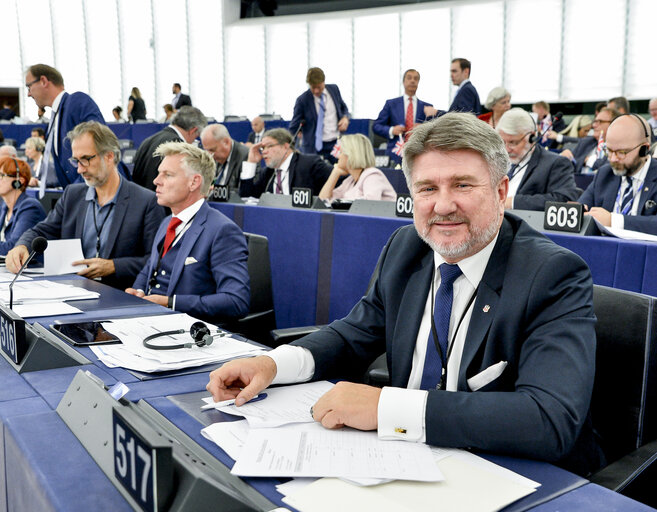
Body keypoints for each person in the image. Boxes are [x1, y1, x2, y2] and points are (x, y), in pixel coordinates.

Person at [208, 112, 602, 477]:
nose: (443, 205)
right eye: (427, 188)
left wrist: (386, 409)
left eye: (462, 185)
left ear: (501, 192)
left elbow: (549, 419)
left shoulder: (552, 274)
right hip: (402, 462)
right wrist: (273, 365)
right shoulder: (406, 247)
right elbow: (352, 334)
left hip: (510, 474)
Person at [5, 122, 164, 290]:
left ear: (109, 156)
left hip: (120, 296)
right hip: (72, 291)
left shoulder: (146, 201)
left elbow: (155, 260)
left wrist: (113, 266)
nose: (79, 169)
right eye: (76, 161)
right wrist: (21, 246)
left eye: (85, 159)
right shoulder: (72, 195)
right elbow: (41, 231)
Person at [126, 142, 250, 322]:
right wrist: (138, 292)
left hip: (190, 333)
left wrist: (172, 303)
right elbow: (149, 270)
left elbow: (236, 301)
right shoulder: (167, 222)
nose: (156, 181)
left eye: (167, 175)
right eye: (159, 173)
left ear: (194, 182)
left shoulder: (222, 231)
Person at [25, 63, 106, 190]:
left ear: (43, 81)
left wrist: (76, 192)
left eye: (29, 87)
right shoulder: (53, 120)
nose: (28, 94)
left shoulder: (76, 101)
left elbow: (101, 147)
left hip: (94, 194)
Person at [578, 114, 657, 235]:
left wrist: (614, 221)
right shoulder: (605, 173)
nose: (613, 159)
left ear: (644, 149)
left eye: (621, 152)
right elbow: (581, 208)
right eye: (609, 151)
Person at [496, 108, 578, 210]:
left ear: (532, 137)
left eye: (513, 142)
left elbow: (563, 199)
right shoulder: (495, 161)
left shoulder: (556, 164)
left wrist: (513, 203)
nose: (507, 149)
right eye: (503, 142)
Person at [239, 128, 332, 198]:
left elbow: (338, 180)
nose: (264, 152)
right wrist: (251, 163)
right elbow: (246, 197)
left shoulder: (310, 164)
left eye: (269, 146)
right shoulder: (268, 173)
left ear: (286, 147)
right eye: (263, 148)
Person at [132, 106, 207, 191]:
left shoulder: (148, 140)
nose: (194, 140)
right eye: (196, 136)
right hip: (160, 200)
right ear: (193, 130)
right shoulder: (177, 145)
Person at [290, 67, 350, 162]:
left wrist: (345, 118)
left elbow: (343, 108)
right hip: (313, 147)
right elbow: (294, 126)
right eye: (313, 87)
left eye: (319, 87)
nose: (316, 91)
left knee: (340, 172)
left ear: (324, 82)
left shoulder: (334, 89)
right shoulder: (302, 100)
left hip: (335, 143)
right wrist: (286, 144)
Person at [373, 69, 432, 164]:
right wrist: (392, 130)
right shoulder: (391, 104)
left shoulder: (427, 107)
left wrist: (423, 128)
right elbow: (376, 126)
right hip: (395, 153)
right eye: (409, 78)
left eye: (416, 79)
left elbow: (433, 131)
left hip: (419, 154)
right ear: (403, 82)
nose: (412, 81)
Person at [318, 134, 396, 202]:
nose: (338, 156)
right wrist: (335, 173)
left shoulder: (373, 176)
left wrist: (342, 202)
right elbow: (322, 201)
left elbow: (370, 205)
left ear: (351, 155)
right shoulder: (350, 181)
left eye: (341, 152)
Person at [559, 107, 619, 174]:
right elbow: (572, 165)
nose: (594, 125)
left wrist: (588, 160)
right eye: (595, 121)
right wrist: (565, 157)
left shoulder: (619, 147)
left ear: (613, 124)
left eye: (600, 122)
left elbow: (608, 169)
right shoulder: (586, 142)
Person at [200, 123, 249, 190]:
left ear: (226, 142)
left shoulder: (245, 156)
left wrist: (217, 190)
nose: (210, 155)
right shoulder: (216, 158)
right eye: (207, 150)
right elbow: (212, 181)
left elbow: (243, 192)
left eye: (212, 150)